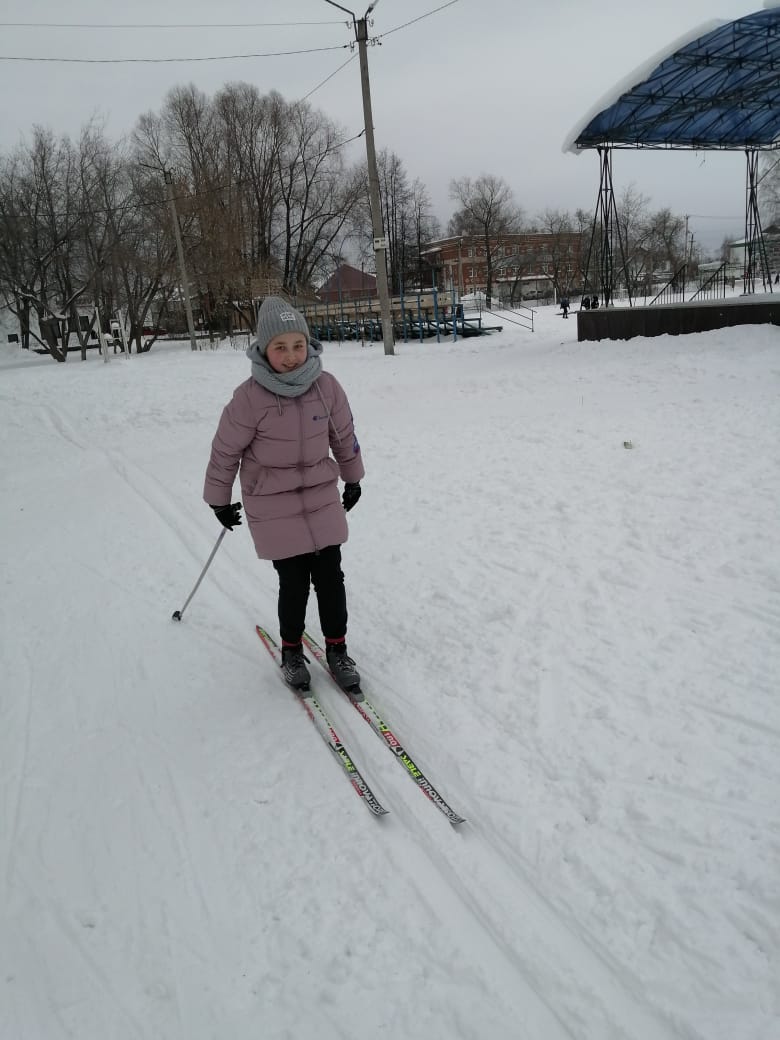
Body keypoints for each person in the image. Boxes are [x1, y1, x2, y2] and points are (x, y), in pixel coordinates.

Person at [203, 296, 365, 696]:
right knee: (294, 583)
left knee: (331, 577)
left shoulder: (326, 387)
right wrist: (219, 500)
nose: (291, 356)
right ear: (263, 349)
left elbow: (344, 435)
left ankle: (338, 650)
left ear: (308, 344)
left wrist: (353, 478)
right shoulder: (249, 398)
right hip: (272, 502)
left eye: (297, 345)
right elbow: (225, 451)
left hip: (321, 496)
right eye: (280, 347)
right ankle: (291, 652)